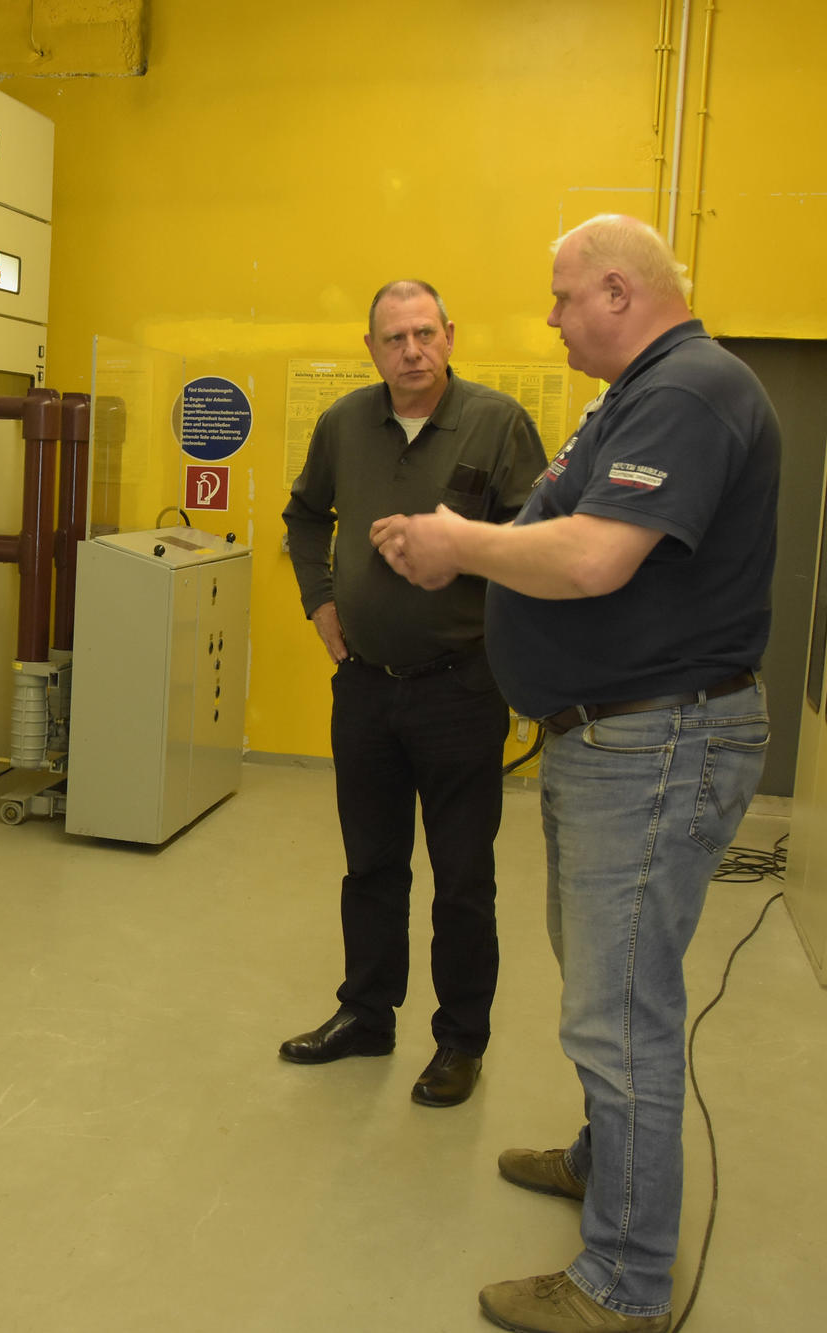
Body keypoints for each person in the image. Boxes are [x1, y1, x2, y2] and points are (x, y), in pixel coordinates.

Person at [371, 215, 778, 1333]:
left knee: (617, 1010)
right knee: (609, 987)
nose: (546, 317)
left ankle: (623, 1282)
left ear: (613, 290)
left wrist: (459, 543)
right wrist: (474, 545)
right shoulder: (641, 392)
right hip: (612, 740)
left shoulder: (687, 391)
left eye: (557, 298)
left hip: (654, 741)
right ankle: (610, 1160)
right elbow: (565, 524)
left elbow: (596, 556)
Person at [279, 280, 546, 1107]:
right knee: (370, 866)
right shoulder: (342, 424)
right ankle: (366, 1012)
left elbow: (538, 541)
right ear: (372, 349)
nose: (411, 351)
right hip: (363, 689)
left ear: (449, 335)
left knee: (463, 876)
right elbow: (301, 516)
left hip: (460, 688)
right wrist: (322, 604)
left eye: (424, 333)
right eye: (393, 338)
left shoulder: (498, 423)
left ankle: (461, 1041)